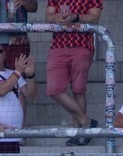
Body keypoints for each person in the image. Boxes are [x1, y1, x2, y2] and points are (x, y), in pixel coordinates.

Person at [45, 0, 101, 145]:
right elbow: (48, 15)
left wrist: (75, 17)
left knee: (78, 90)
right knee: (54, 89)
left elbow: (95, 17)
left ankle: (77, 133)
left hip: (82, 45)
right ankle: (86, 121)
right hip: (58, 45)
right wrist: (55, 17)